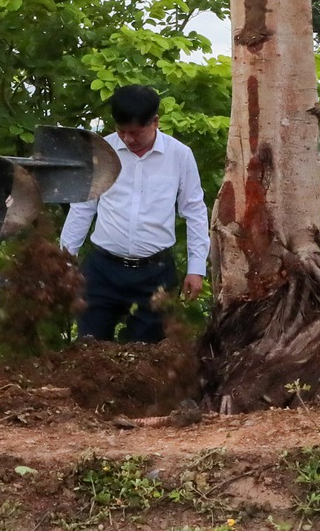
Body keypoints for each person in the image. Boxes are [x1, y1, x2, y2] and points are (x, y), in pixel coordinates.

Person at [59, 84, 210, 343]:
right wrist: (64, 260)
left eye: (135, 133)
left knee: (144, 355)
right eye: (121, 131)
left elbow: (194, 211)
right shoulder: (101, 152)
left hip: (155, 273)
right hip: (102, 270)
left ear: (155, 122)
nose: (128, 139)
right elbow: (82, 208)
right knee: (90, 347)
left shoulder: (180, 156)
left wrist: (196, 268)